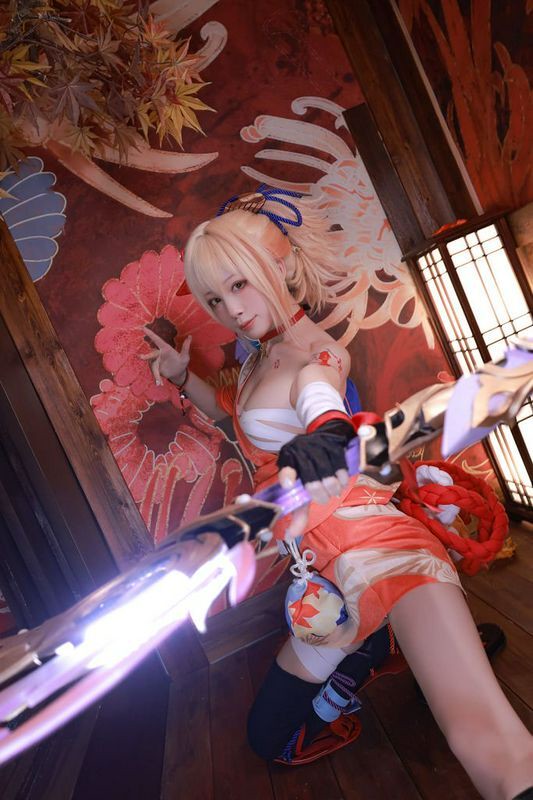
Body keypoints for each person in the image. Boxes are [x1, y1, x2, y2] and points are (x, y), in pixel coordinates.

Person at [142, 185, 533, 800]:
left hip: (382, 556)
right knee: (269, 738)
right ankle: (376, 646)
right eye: (216, 298)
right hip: (324, 580)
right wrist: (182, 376)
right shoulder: (259, 356)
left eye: (241, 284)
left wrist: (327, 436)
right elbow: (231, 414)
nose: (232, 309)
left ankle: (399, 637)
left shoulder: (315, 355)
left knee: (487, 742)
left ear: (283, 267)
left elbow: (322, 400)